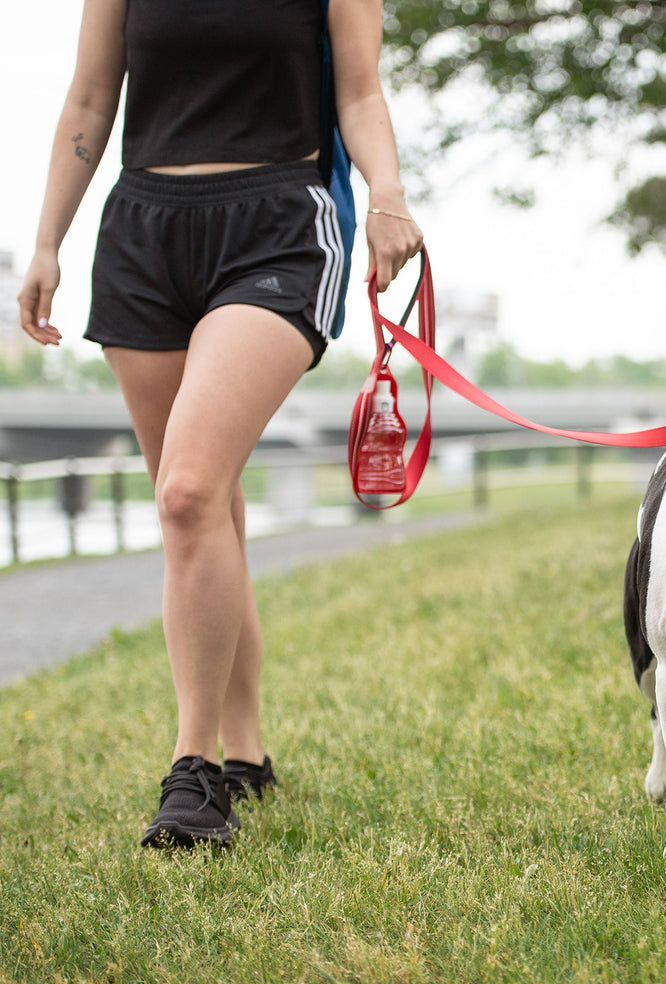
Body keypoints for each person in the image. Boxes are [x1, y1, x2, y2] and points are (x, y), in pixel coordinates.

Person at [18, 0, 423, 848]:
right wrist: (48, 239)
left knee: (186, 491)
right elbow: (91, 101)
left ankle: (194, 773)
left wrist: (386, 192)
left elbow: (360, 93)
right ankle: (248, 753)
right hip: (141, 234)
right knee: (207, 505)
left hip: (279, 224)